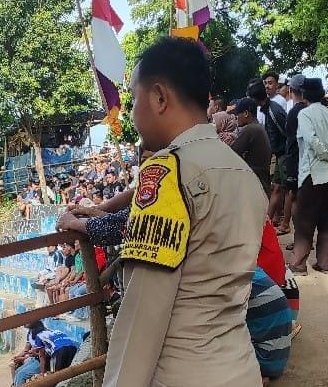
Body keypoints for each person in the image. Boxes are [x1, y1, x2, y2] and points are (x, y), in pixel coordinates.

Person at [105, 37, 265, 386]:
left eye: (133, 99)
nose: (132, 114)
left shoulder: (166, 173)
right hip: (240, 368)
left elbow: (143, 313)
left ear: (159, 98)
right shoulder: (242, 172)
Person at [290, 78, 328, 275]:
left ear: (304, 95)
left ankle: (298, 264)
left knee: (304, 221)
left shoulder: (304, 114)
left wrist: (327, 156)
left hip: (313, 173)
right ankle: (324, 263)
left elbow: (311, 140)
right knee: (327, 222)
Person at [250, 80, 291, 231]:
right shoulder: (267, 110)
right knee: (276, 187)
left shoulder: (274, 111)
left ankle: (285, 224)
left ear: (255, 99)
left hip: (285, 154)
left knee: (288, 190)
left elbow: (287, 133)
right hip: (279, 154)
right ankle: (265, 224)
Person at [247, 267, 296, 386]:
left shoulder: (238, 279)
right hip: (276, 358)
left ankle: (253, 377)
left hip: (263, 360)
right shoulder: (252, 269)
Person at [278, 75, 309, 236]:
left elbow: (290, 139)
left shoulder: (294, 112)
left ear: (291, 90)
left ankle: (301, 237)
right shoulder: (310, 111)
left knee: (296, 197)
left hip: (295, 159)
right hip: (308, 160)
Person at [230, 97, 273, 196]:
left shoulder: (250, 129)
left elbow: (232, 153)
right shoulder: (259, 127)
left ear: (246, 113)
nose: (236, 117)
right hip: (262, 181)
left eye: (237, 114)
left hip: (255, 183)